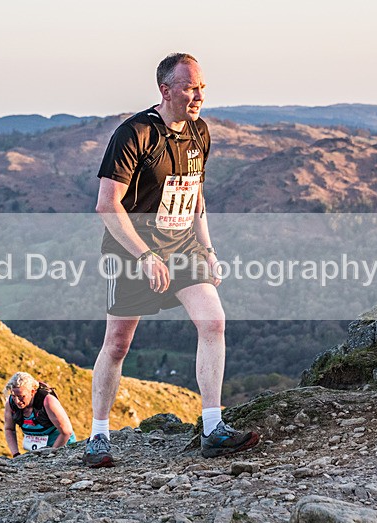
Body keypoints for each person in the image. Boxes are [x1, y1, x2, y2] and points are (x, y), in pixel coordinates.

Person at [84, 53, 260, 468]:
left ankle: (213, 428)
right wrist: (144, 255)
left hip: (183, 247)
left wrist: (209, 250)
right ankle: (98, 437)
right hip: (131, 251)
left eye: (202, 87)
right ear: (166, 90)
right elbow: (107, 206)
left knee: (213, 321)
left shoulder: (200, 132)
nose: (199, 95)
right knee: (118, 344)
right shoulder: (135, 134)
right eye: (190, 87)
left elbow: (196, 197)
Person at [3, 371, 76, 457]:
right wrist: (15, 454)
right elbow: (9, 429)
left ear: (32, 392)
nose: (17, 401)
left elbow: (66, 431)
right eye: (14, 396)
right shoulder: (11, 404)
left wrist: (51, 453)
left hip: (62, 446)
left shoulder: (48, 401)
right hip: (37, 451)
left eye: (21, 396)